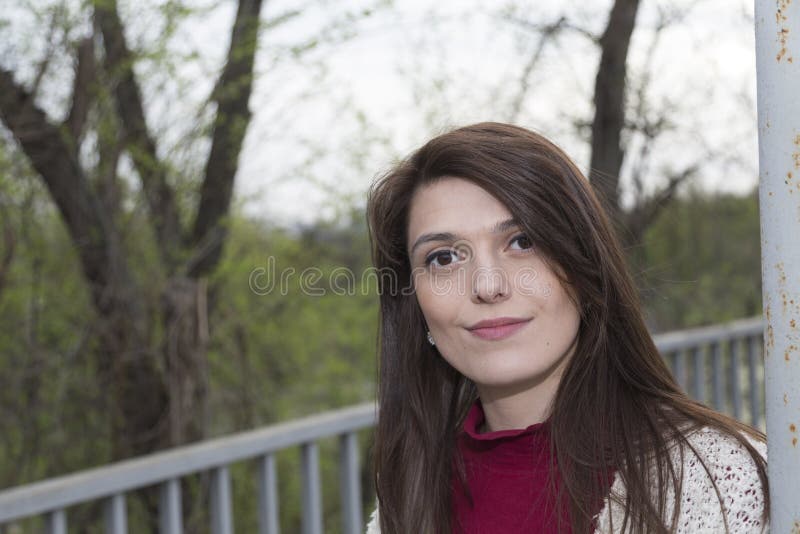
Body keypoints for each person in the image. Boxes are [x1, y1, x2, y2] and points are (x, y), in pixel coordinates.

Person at [363, 122, 769, 533]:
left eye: (522, 242)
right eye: (444, 258)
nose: (488, 286)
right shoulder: (404, 495)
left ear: (585, 266)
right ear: (414, 302)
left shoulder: (723, 481)